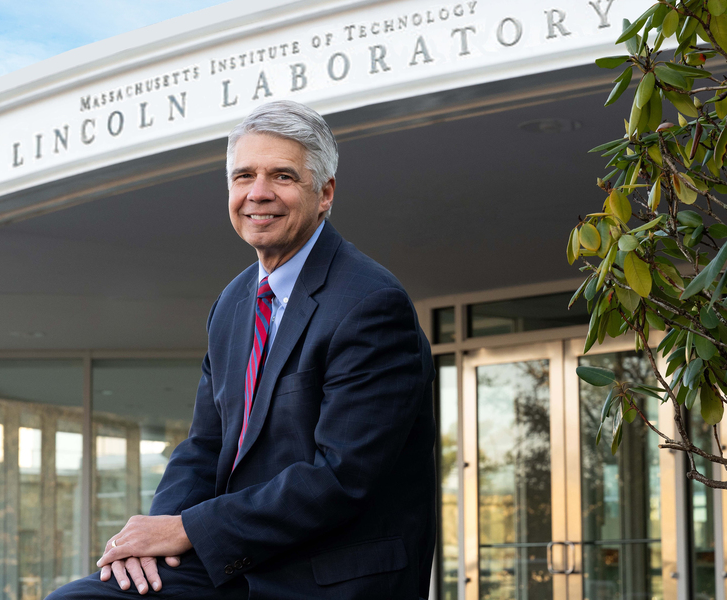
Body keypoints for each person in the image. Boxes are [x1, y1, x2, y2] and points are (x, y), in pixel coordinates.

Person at [45, 100, 436, 600]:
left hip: (327, 573)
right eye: (243, 176)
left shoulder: (371, 304)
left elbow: (340, 479)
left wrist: (186, 530)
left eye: (282, 176)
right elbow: (205, 447)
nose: (258, 194)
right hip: (234, 561)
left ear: (325, 194)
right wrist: (152, 535)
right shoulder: (234, 301)